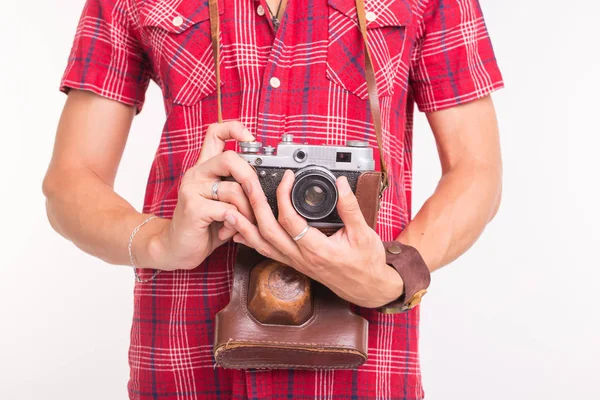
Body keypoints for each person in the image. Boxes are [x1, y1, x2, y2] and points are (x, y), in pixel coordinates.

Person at [43, 0, 503, 398]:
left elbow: (477, 171)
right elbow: (69, 181)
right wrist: (160, 243)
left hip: (366, 359)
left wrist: (392, 276)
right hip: (186, 354)